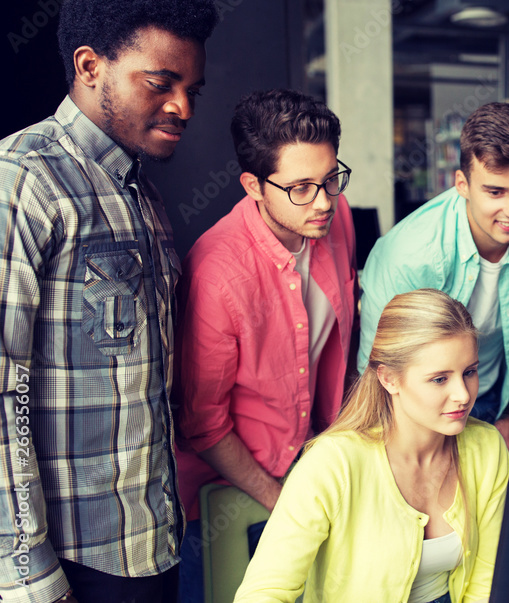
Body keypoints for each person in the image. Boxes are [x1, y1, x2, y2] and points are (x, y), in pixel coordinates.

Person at [0, 1, 219, 601]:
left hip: (152, 547)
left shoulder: (140, 193)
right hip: (70, 566)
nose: (183, 107)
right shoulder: (22, 179)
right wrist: (30, 576)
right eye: (161, 83)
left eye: (192, 88)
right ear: (90, 66)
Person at [173, 89, 357, 601]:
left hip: (304, 469)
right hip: (223, 497)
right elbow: (203, 426)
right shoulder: (216, 274)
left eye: (329, 180)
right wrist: (284, 504)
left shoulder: (333, 218)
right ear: (253, 185)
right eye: (300, 187)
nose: (322, 201)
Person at [234, 289, 509, 602]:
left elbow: (486, 582)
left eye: (469, 372)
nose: (463, 394)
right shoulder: (331, 463)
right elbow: (264, 592)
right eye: (440, 379)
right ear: (389, 379)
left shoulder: (487, 448)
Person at [359, 102, 509, 449]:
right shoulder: (406, 254)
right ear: (462, 184)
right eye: (495, 192)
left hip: (508, 391)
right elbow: (380, 373)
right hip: (419, 411)